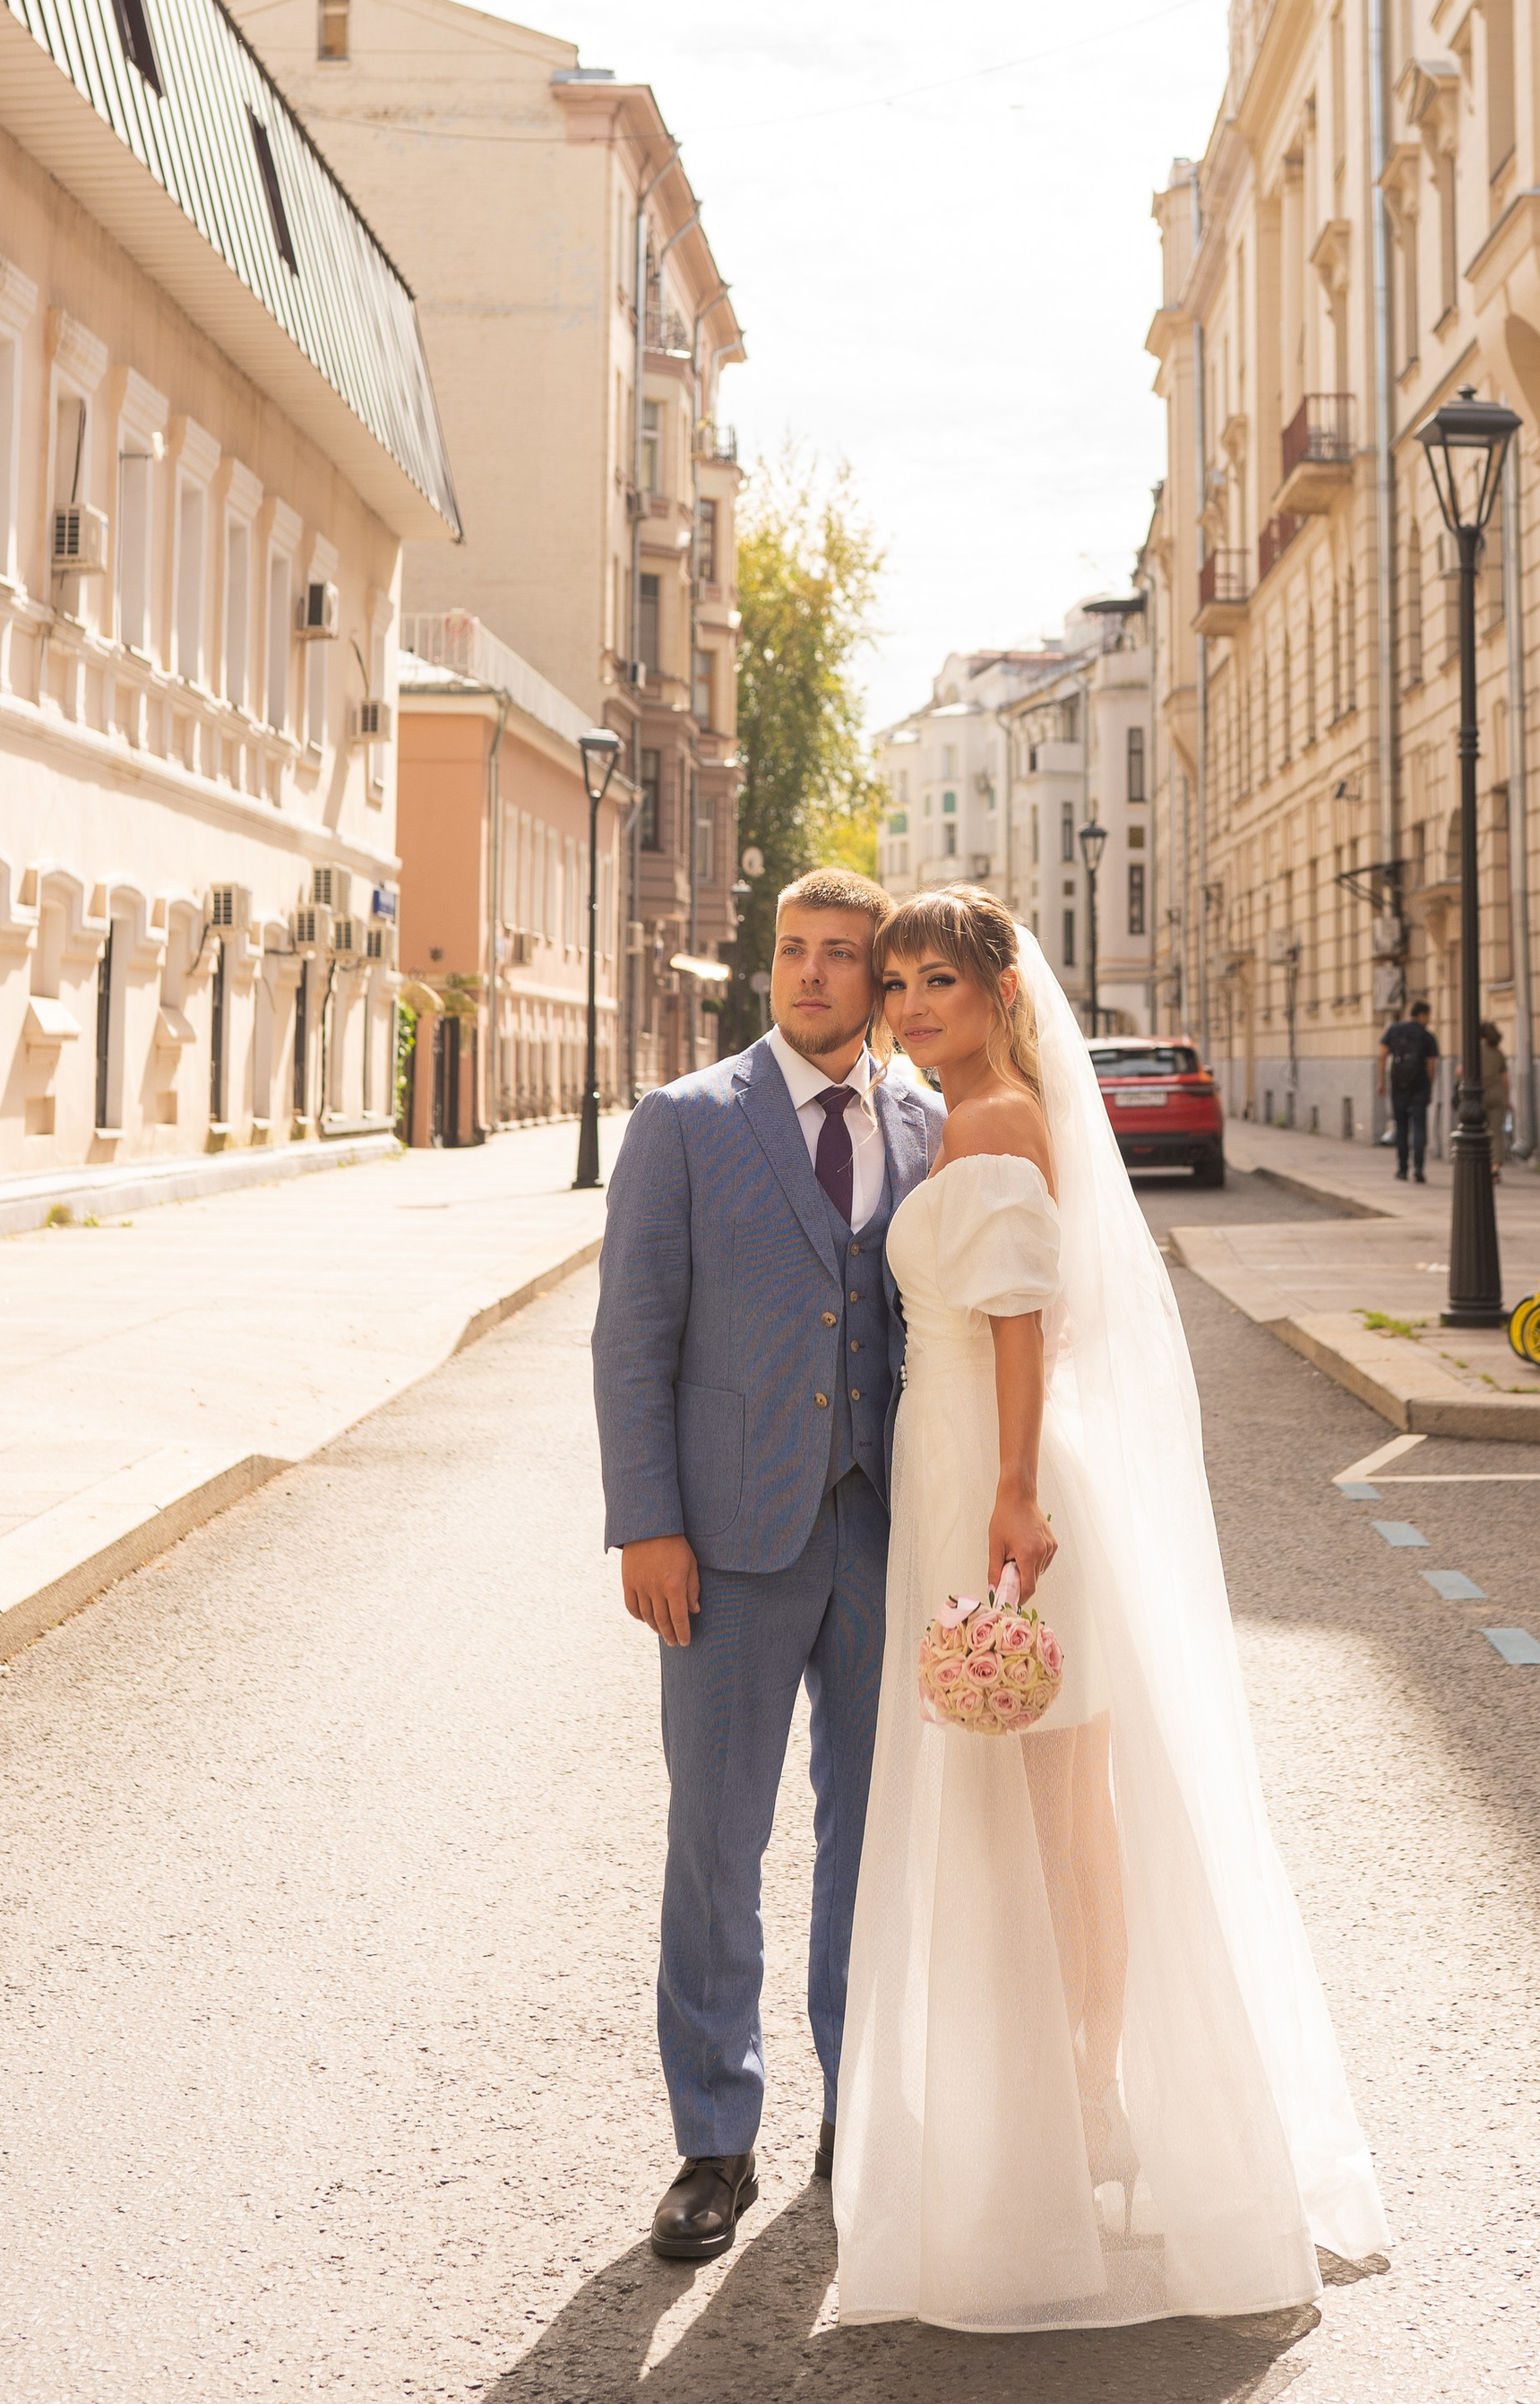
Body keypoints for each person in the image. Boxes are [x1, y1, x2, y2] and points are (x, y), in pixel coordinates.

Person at [835, 888, 1388, 2331]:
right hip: (984, 1456)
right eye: (895, 983)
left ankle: (1074, 2103)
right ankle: (1087, 2099)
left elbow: (1020, 1322)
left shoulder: (988, 1121)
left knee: (1038, 1804)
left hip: (990, 1472)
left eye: (935, 980)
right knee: (1068, 1804)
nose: (908, 1008)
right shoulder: (1001, 1109)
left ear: (999, 986)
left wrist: (1012, 1497)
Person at [590, 868, 942, 2266]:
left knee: (875, 1841)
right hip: (724, 1545)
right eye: (792, 952)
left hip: (880, 1531)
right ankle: (713, 2140)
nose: (809, 975)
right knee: (716, 1839)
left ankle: (856, 2120)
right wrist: (646, 1523)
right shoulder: (685, 1124)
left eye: (840, 956)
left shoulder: (927, 1122)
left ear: (878, 976)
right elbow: (632, 1340)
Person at [1378, 996, 1439, 1184]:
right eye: (1428, 1016)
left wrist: (1382, 1081)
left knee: (1402, 1127)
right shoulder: (1427, 1036)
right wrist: (1429, 1087)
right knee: (1419, 1127)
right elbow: (1431, 1065)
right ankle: (1419, 1168)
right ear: (1422, 1015)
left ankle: (1402, 1170)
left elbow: (1382, 1055)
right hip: (1419, 1085)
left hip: (1399, 1085)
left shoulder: (1394, 1030)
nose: (1428, 1019)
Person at [1477, 1019, 1512, 1179]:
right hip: (1498, 1094)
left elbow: (1460, 1071)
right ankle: (1495, 1166)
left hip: (1479, 1094)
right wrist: (1507, 1098)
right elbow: (1505, 1079)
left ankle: (1480, 1165)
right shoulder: (1499, 1053)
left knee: (1478, 1130)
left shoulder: (1475, 1051)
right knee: (1496, 1131)